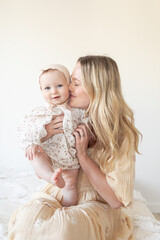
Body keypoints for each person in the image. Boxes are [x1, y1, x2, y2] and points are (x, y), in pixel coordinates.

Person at [9, 55, 141, 240]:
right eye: (70, 81)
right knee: (27, 221)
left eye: (76, 83)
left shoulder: (120, 133)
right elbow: (41, 171)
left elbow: (116, 201)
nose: (68, 87)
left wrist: (83, 156)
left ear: (96, 89)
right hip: (59, 192)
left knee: (64, 229)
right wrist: (43, 137)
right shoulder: (61, 117)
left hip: (96, 202)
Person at [17, 64, 86, 207]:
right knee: (34, 154)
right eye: (47, 88)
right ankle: (49, 176)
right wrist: (33, 142)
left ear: (69, 86)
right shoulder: (41, 112)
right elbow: (24, 129)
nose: (53, 91)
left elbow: (89, 120)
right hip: (48, 154)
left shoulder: (77, 110)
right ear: (41, 91)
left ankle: (67, 207)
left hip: (69, 157)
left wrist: (86, 126)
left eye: (59, 85)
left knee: (70, 185)